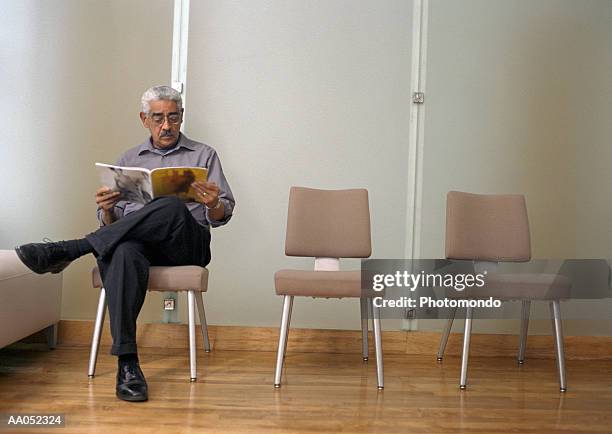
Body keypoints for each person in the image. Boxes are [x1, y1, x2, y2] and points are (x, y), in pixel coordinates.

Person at [15, 85, 235, 403]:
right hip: (139, 244)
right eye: (158, 118)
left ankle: (72, 249)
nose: (166, 125)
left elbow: (221, 215)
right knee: (123, 250)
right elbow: (113, 225)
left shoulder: (204, 155)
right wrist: (105, 209)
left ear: (182, 116)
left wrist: (214, 203)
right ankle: (128, 365)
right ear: (144, 119)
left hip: (188, 244)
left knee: (170, 207)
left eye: (173, 117)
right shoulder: (129, 159)